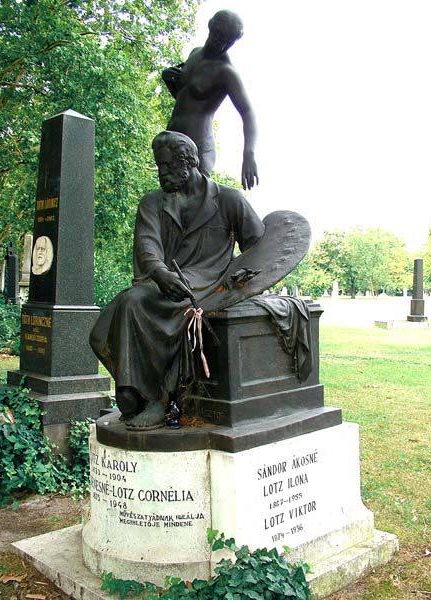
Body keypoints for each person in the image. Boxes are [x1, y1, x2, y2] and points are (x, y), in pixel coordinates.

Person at [89, 131, 264, 430]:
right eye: (159, 165)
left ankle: (157, 399)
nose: (162, 172)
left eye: (168, 165)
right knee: (113, 318)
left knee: (138, 304)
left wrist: (242, 281)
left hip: (212, 286)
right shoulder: (152, 202)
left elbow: (257, 247)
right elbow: (147, 247)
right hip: (166, 281)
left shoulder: (229, 199)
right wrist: (160, 274)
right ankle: (134, 391)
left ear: (189, 162)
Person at [162, 10, 259, 191]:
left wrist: (249, 154)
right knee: (169, 201)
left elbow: (248, 113)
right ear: (211, 26)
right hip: (172, 142)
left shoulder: (226, 72)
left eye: (228, 41)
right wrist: (168, 79)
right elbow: (186, 100)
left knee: (194, 201)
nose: (222, 44)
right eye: (219, 35)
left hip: (198, 148)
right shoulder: (195, 54)